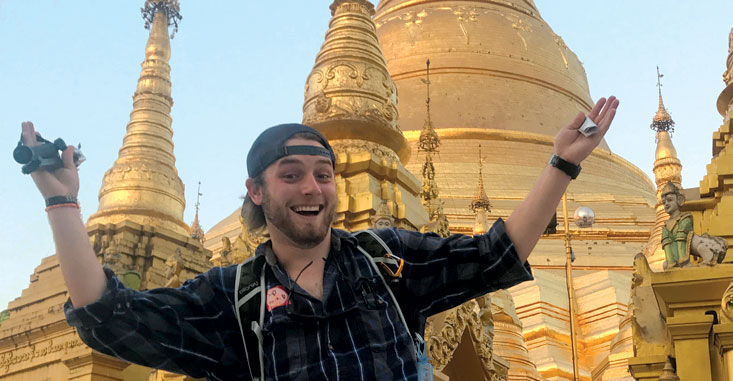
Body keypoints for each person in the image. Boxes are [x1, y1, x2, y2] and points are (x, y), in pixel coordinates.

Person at [20, 96, 618, 380]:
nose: (312, 188)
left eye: (324, 174)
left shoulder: (385, 261)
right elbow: (110, 316)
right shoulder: (233, 298)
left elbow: (495, 255)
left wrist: (562, 165)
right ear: (256, 192)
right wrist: (63, 201)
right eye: (292, 175)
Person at [659, 181, 692, 268]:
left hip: (685, 260)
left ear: (679, 200)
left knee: (680, 238)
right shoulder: (665, 227)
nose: (666, 204)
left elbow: (681, 242)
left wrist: (682, 262)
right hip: (674, 265)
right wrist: (671, 265)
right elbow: (667, 247)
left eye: (669, 200)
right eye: (664, 202)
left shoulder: (685, 220)